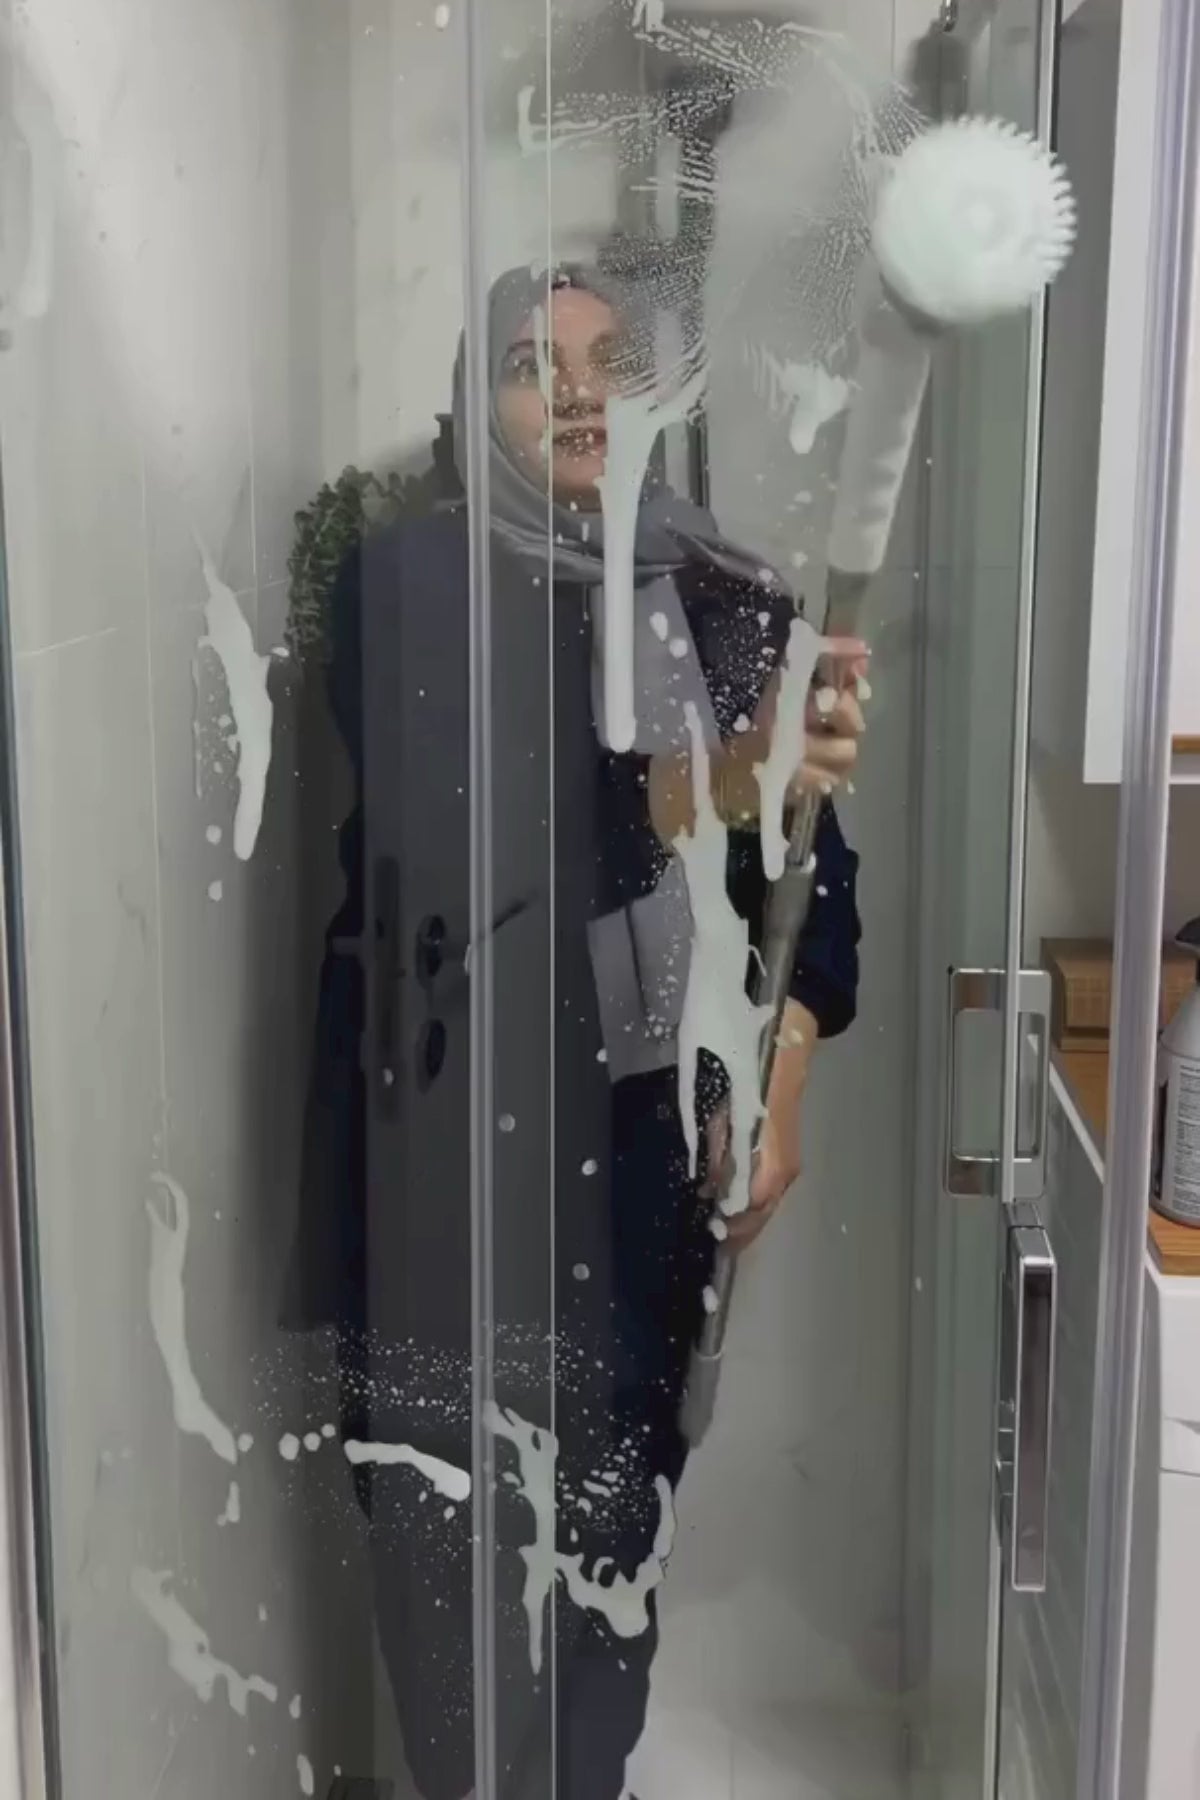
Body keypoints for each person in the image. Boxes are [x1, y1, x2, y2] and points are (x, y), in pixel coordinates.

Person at [289, 265, 864, 1800]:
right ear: (475, 407)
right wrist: (726, 756)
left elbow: (814, 884)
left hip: (633, 1140)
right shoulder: (402, 585)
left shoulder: (729, 596)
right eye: (533, 364)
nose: (580, 390)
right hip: (435, 1125)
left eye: (613, 361)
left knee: (611, 1537)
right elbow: (498, 828)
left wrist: (782, 1079)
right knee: (439, 1544)